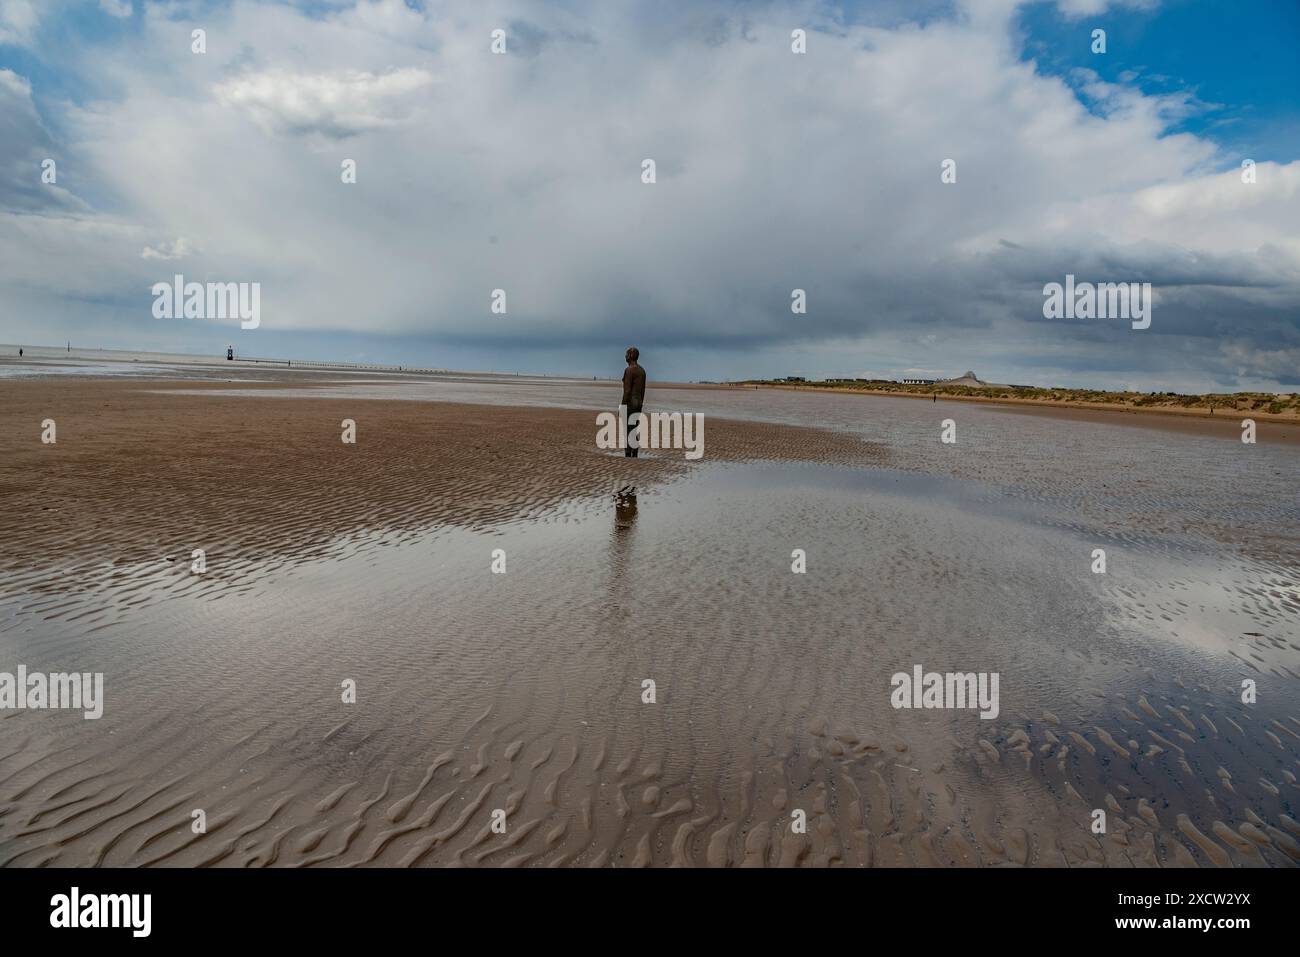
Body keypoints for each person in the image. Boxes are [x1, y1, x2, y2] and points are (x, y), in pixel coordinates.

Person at [621, 347, 646, 457]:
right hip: (638, 403)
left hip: (630, 403)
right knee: (634, 427)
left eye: (627, 354)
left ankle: (628, 452)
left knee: (627, 428)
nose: (625, 356)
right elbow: (642, 390)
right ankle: (634, 452)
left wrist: (622, 406)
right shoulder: (642, 371)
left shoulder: (629, 370)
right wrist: (640, 403)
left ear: (631, 355)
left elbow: (627, 391)